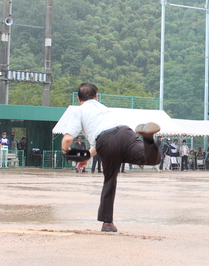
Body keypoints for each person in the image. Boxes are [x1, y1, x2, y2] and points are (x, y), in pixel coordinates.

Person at [57, 83, 161, 233]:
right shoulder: (105, 109)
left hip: (106, 141)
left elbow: (68, 138)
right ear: (96, 96)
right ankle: (148, 138)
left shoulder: (79, 110)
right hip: (126, 132)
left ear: (79, 99)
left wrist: (66, 152)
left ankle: (107, 223)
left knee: (110, 180)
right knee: (152, 159)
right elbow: (105, 136)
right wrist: (87, 156)